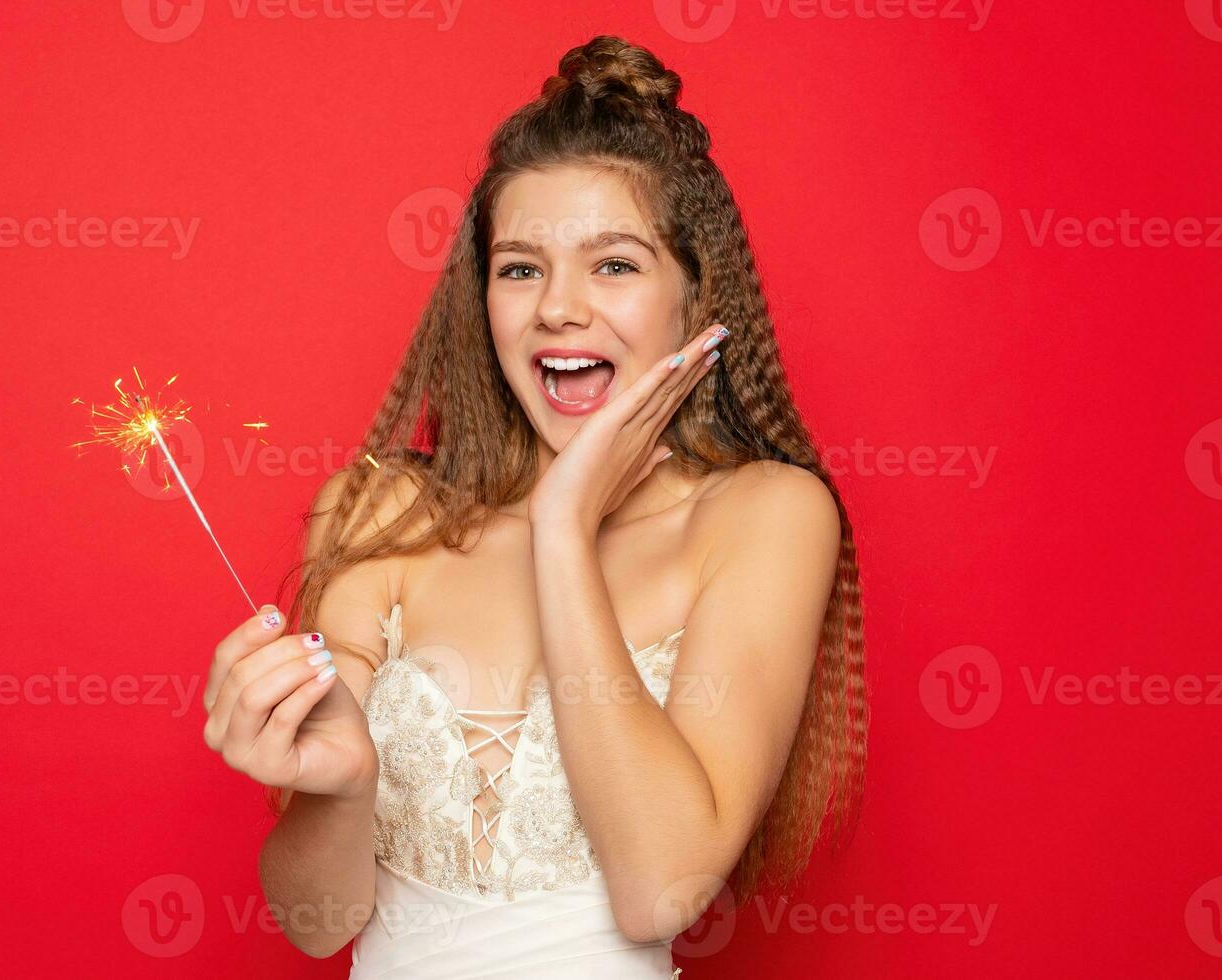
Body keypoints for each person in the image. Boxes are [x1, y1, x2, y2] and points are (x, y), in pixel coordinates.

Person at [202, 34, 868, 979]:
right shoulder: (376, 510)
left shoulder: (764, 516)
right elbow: (317, 923)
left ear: (694, 296)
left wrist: (562, 525)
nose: (557, 308)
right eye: (519, 268)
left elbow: (661, 890)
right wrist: (342, 789)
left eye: (614, 266)